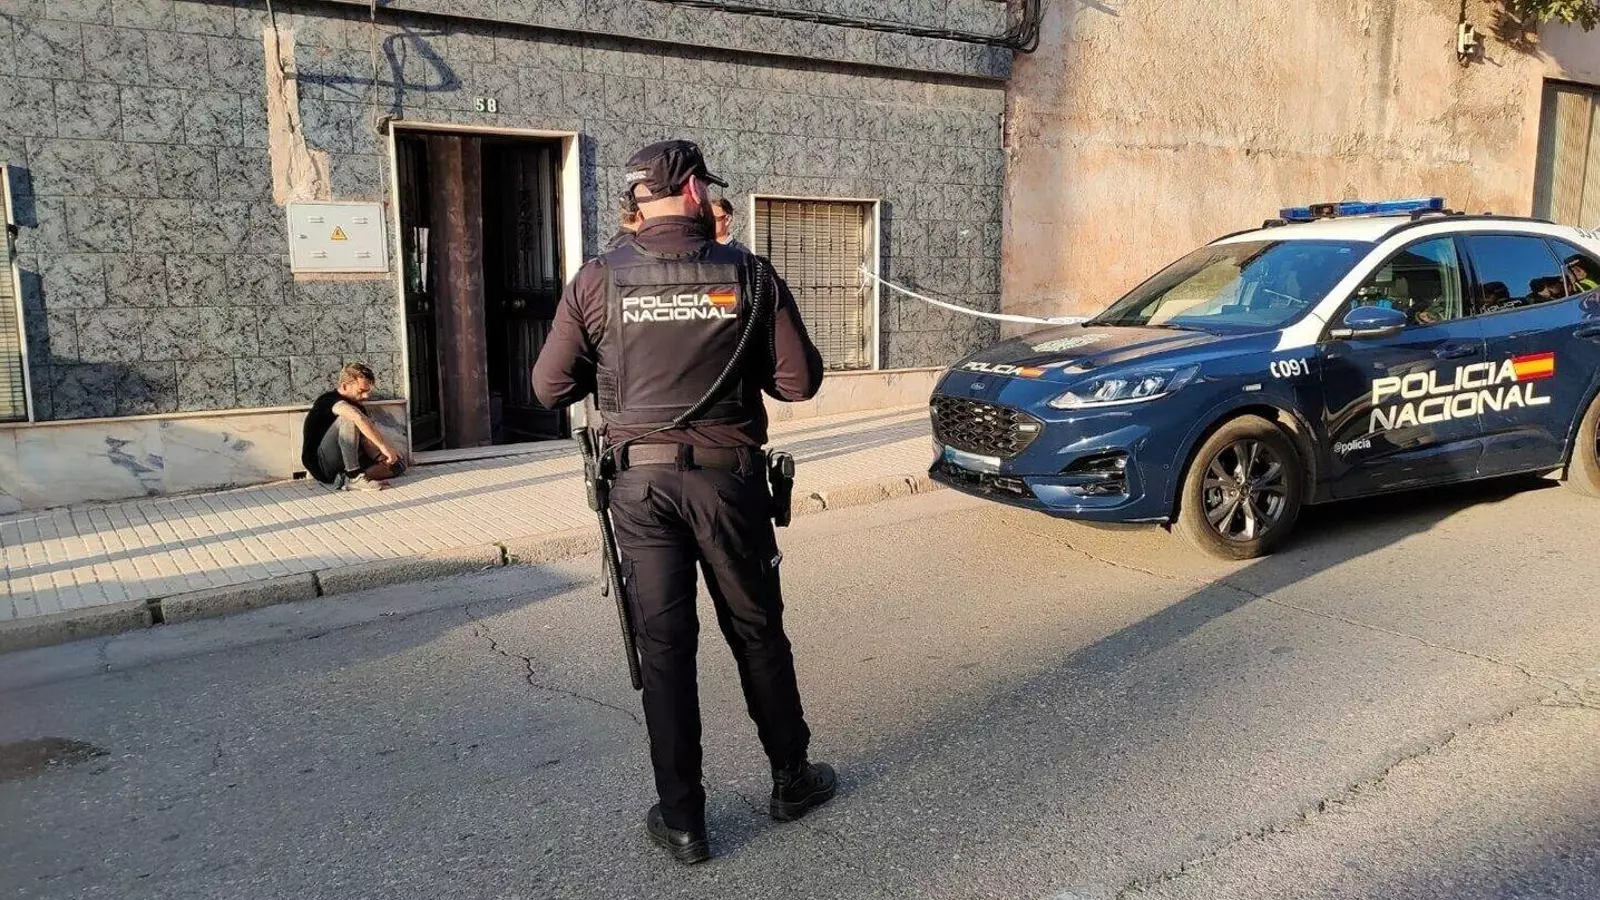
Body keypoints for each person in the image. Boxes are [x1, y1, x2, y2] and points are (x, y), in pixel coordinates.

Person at [531, 139, 831, 865]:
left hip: (640, 488)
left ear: (639, 199)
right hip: (730, 484)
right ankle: (791, 780)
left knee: (665, 651)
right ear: (695, 190)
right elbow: (798, 383)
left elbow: (549, 387)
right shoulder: (750, 274)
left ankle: (684, 823)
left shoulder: (598, 279)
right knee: (757, 633)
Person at [300, 363, 405, 492]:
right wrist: (384, 447)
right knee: (350, 417)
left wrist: (382, 456)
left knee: (398, 464)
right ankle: (353, 477)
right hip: (322, 463)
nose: (366, 396)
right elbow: (356, 417)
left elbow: (367, 438)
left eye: (368, 391)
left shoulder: (358, 406)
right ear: (345, 386)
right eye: (361, 391)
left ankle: (345, 478)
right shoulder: (328, 400)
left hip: (348, 460)